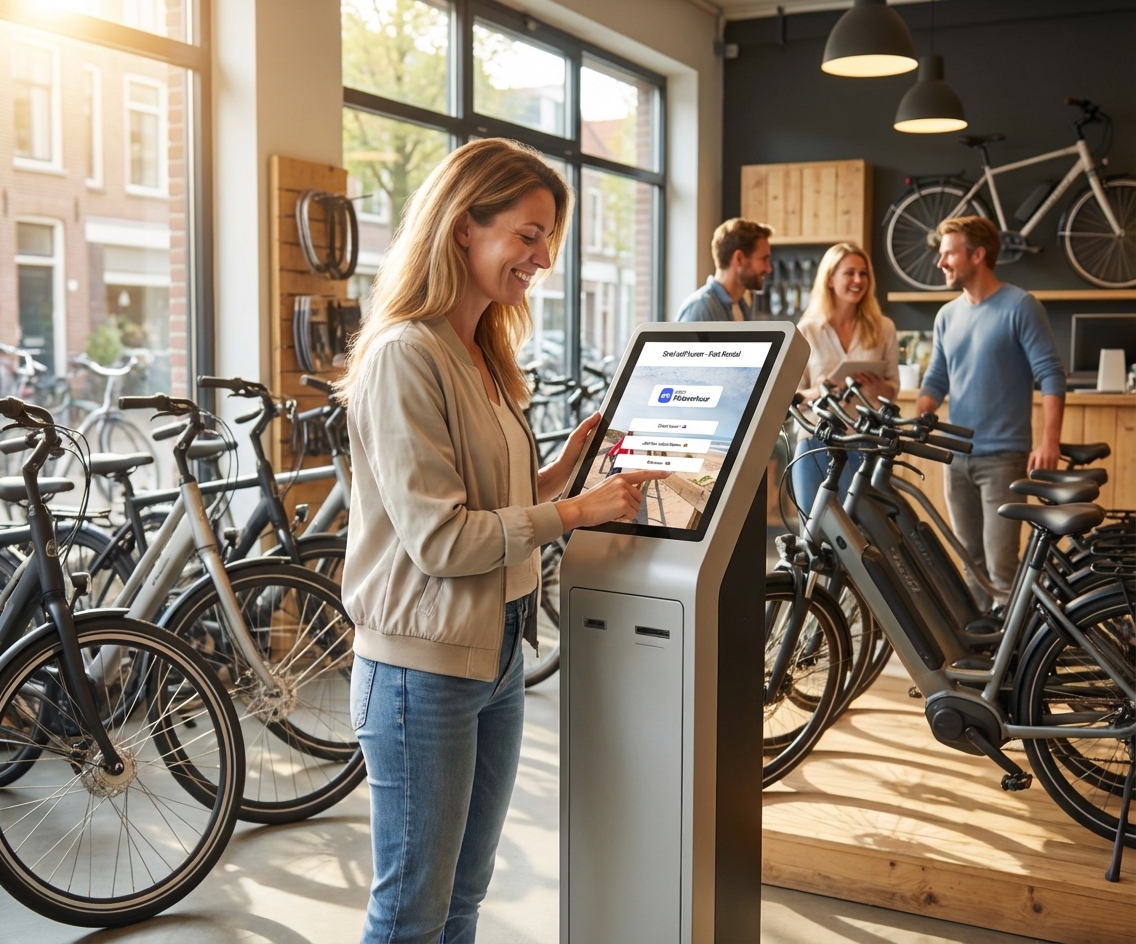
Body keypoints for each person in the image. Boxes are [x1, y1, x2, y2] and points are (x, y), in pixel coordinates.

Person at [337, 138, 666, 943]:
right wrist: (578, 512)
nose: (543, 256)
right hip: (422, 675)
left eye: (547, 236)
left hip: (498, 657)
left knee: (462, 899)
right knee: (411, 912)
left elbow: (492, 503)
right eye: (527, 233)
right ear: (462, 228)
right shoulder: (405, 356)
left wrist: (559, 470)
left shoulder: (482, 351)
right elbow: (444, 542)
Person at [916, 215, 1066, 610]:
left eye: (948, 253)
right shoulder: (947, 315)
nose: (941, 262)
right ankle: (985, 655)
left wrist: (1049, 440)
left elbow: (1050, 374)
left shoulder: (1020, 305)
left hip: (1002, 457)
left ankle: (1016, 659)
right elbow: (936, 378)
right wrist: (922, 411)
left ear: (977, 254)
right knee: (970, 562)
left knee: (1001, 565)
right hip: (956, 456)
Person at [790, 242, 899, 514]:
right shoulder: (807, 330)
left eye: (863, 274)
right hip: (816, 440)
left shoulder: (883, 328)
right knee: (814, 533)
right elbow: (792, 397)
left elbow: (892, 390)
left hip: (865, 442)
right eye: (849, 273)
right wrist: (820, 390)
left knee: (863, 533)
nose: (858, 280)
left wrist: (878, 387)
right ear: (830, 278)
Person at [676, 218, 773, 321]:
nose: (769, 269)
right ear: (739, 259)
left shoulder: (741, 307)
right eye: (764, 259)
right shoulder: (701, 309)